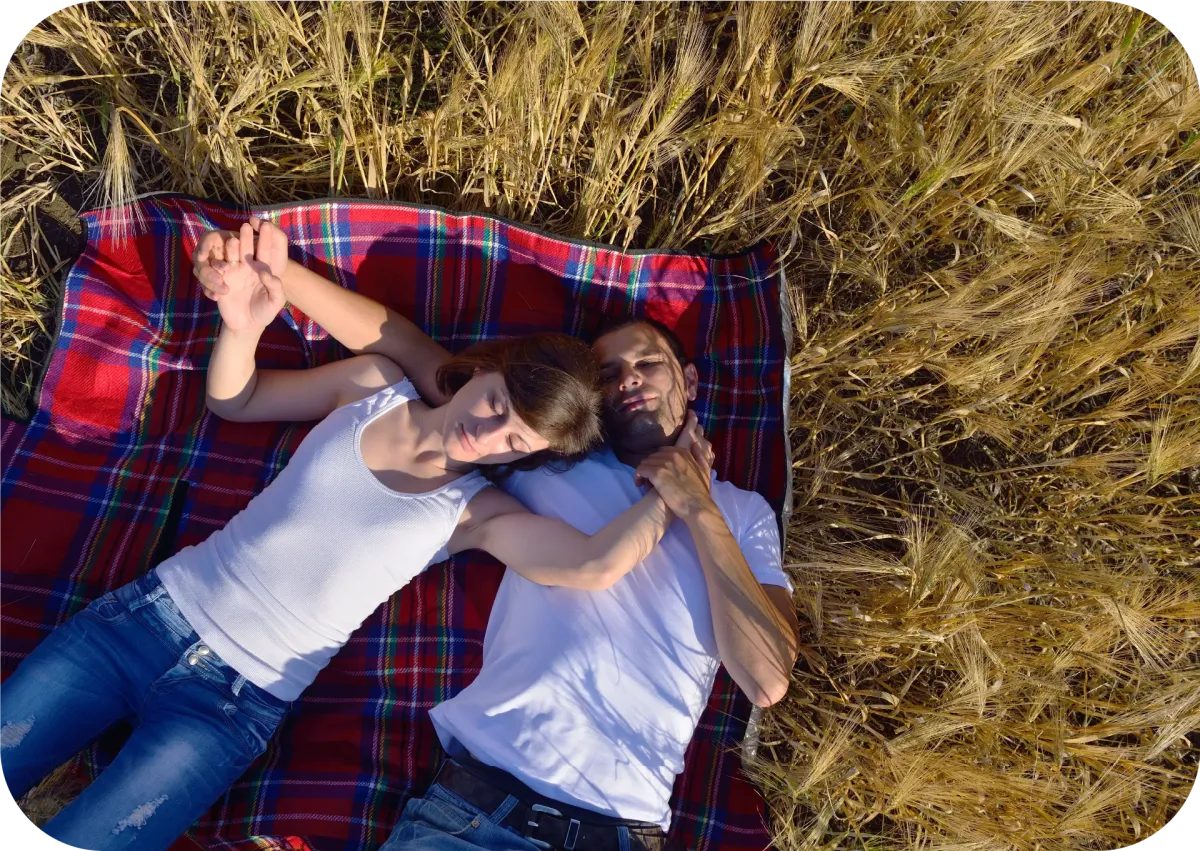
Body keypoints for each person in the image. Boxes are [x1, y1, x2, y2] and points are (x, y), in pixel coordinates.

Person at [0, 224, 697, 851]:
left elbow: (592, 563)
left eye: (514, 439)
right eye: (495, 406)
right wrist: (245, 320)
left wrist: (677, 486)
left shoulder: (474, 511)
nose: (486, 434)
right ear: (485, 369)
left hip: (229, 706)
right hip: (143, 618)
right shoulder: (378, 385)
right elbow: (238, 399)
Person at [193, 218, 802, 851]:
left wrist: (697, 505)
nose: (628, 378)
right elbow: (406, 347)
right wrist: (276, 274)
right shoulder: (545, 455)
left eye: (649, 362)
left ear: (692, 381)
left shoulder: (743, 514)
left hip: (617, 828)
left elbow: (764, 679)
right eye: (609, 372)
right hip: (476, 810)